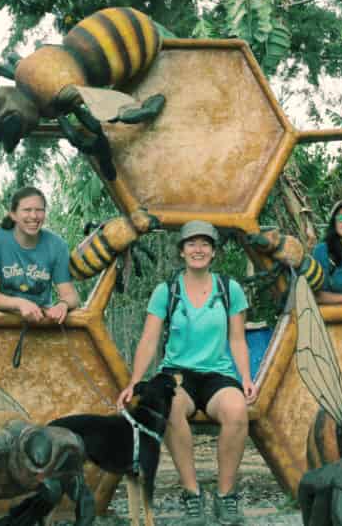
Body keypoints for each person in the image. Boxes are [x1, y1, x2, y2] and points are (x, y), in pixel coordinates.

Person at [117, 220, 255, 526]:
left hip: (217, 374)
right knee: (172, 407)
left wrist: (245, 377)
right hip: (177, 375)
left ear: (214, 252)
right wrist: (134, 382)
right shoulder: (166, 291)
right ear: (181, 251)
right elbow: (149, 339)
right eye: (192, 244)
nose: (198, 249)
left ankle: (226, 495)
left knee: (236, 410)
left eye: (205, 244)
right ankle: (192, 494)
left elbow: (237, 339)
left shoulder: (228, 289)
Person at [0, 186, 80, 323]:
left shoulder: (57, 245)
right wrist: (20, 303)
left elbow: (70, 294)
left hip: (41, 321)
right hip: (1, 320)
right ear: (13, 214)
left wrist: (63, 304)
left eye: (39, 210)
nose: (34, 216)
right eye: (27, 210)